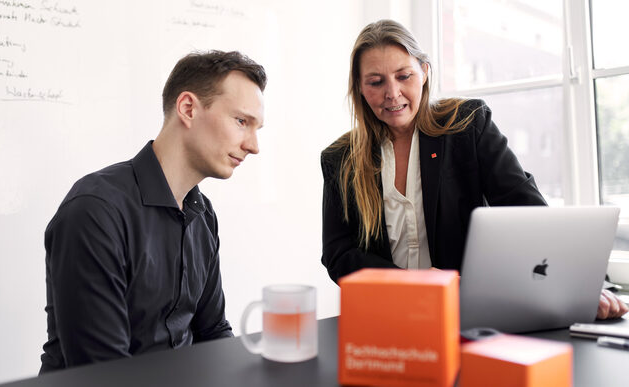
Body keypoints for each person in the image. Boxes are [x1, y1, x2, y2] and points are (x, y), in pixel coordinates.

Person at [320, 19, 627, 319]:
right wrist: (413, 282)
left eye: (404, 76)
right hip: (385, 317)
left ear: (424, 73)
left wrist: (582, 286)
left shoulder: (467, 125)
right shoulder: (340, 157)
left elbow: (529, 213)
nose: (392, 93)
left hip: (466, 315)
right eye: (376, 82)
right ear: (360, 88)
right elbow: (338, 254)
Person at [40, 50, 267, 372]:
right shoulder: (94, 211)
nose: (253, 145)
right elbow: (104, 372)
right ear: (188, 108)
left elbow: (212, 332)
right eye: (242, 121)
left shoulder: (202, 213)